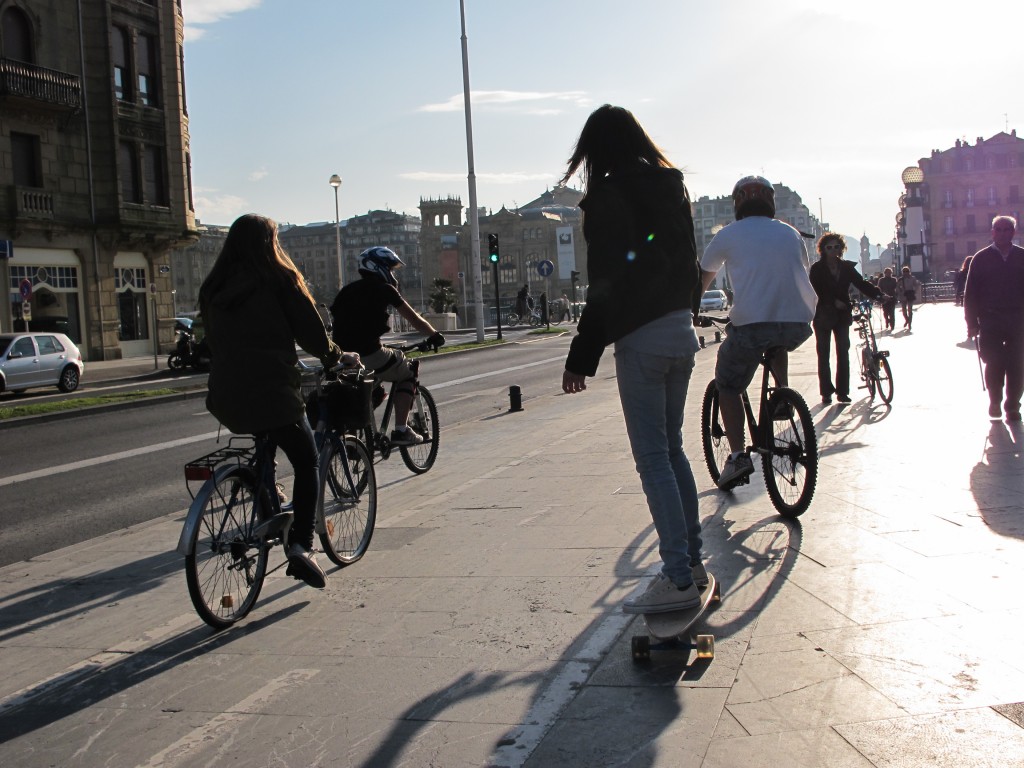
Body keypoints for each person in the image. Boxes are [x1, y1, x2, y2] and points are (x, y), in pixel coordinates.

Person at [560, 104, 705, 615]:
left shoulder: (607, 197)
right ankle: (694, 561)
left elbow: (606, 281)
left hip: (642, 342)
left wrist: (582, 355)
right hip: (680, 332)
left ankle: (678, 576)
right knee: (673, 452)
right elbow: (689, 259)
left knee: (653, 459)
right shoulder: (672, 186)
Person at [199, 214, 356, 589]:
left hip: (225, 396)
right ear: (271, 243)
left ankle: (267, 502)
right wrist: (338, 357)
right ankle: (301, 544)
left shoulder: (213, 287)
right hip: (272, 391)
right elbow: (313, 336)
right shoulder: (280, 280)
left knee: (264, 441)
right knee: (307, 460)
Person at [700, 176, 816, 488]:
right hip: (798, 322)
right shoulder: (790, 233)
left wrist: (689, 309)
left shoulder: (728, 234)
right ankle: (782, 394)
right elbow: (799, 271)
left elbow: (704, 277)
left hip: (751, 323)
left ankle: (738, 457)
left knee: (728, 384)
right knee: (777, 340)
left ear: (737, 203)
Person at [330, 246, 445, 445]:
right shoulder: (384, 289)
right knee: (408, 372)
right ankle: (401, 430)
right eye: (390, 269)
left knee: (367, 386)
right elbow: (414, 319)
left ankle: (357, 433)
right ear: (378, 267)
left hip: (342, 355)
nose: (392, 274)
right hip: (369, 353)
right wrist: (434, 335)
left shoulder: (346, 290)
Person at [808, 233, 883, 404]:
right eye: (829, 247)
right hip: (823, 315)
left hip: (842, 315)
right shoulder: (817, 269)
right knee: (823, 354)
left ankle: (842, 392)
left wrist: (878, 295)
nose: (833, 250)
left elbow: (861, 284)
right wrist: (833, 302)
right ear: (823, 249)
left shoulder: (847, 267)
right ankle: (826, 391)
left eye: (836, 247)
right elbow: (814, 291)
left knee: (843, 352)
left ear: (841, 249)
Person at [963, 215, 1024, 421]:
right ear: (992, 232)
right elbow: (970, 293)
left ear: (1013, 232)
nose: (1003, 233)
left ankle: (1013, 406)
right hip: (990, 320)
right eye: (998, 229)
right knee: (994, 362)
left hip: (1018, 320)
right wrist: (971, 323)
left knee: (1018, 364)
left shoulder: (1022, 256)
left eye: (1007, 229)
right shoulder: (981, 258)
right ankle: (995, 400)